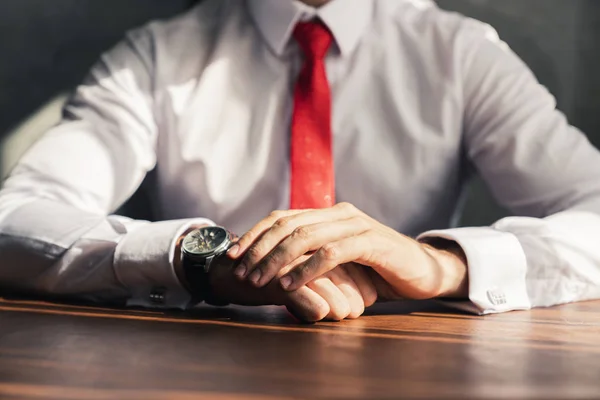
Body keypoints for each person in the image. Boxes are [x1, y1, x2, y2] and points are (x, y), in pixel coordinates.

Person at [1, 0, 600, 322]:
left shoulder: (462, 55)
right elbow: (14, 218)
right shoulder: (156, 56)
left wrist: (442, 265)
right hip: (207, 369)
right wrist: (199, 260)